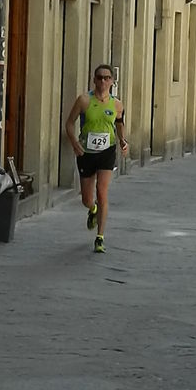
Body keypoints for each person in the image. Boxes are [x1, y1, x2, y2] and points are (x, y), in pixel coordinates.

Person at [65, 64, 129, 253]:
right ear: (94, 80)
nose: (103, 81)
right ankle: (92, 209)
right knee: (87, 198)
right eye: (99, 77)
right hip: (86, 153)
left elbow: (119, 124)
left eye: (106, 78)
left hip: (106, 152)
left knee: (102, 192)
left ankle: (100, 237)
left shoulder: (117, 104)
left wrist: (123, 141)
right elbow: (69, 123)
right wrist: (74, 143)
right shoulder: (84, 100)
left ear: (111, 81)